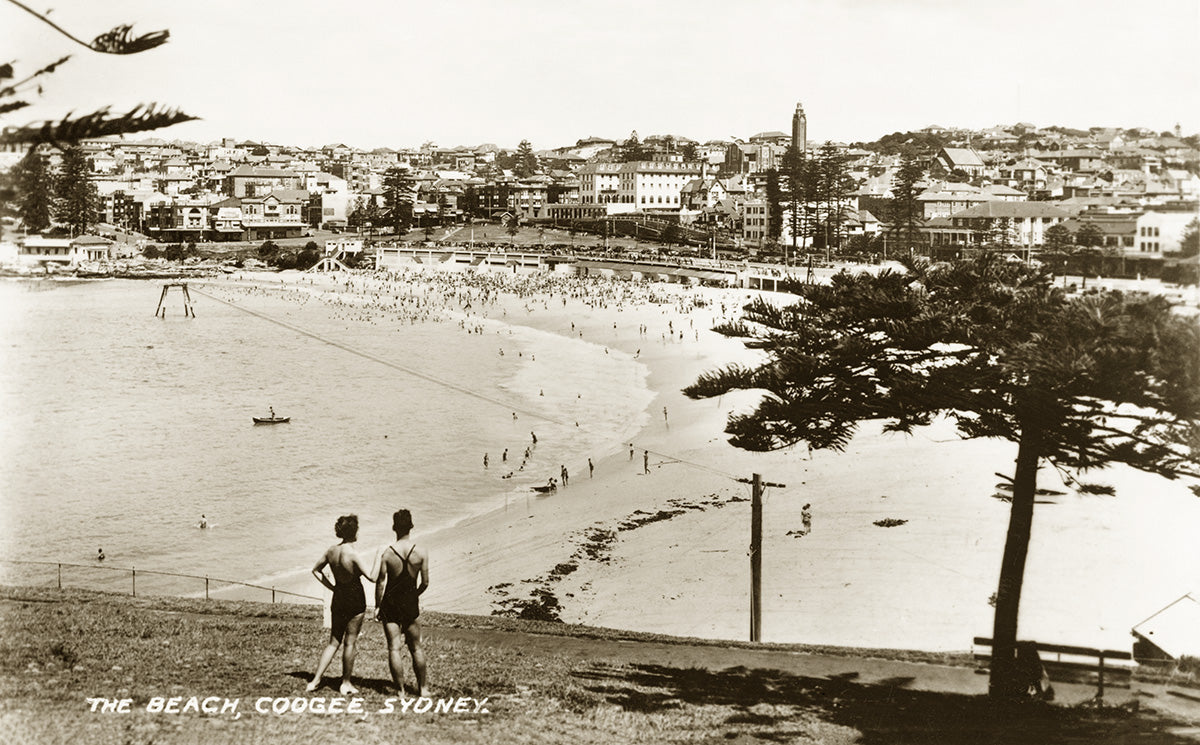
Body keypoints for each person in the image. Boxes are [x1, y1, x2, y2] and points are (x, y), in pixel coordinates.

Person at [308, 515, 378, 694]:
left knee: (333, 642)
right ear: (355, 533)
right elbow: (372, 577)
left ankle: (315, 680)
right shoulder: (353, 554)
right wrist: (379, 556)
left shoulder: (331, 551)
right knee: (350, 643)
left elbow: (315, 570)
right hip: (355, 599)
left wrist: (331, 587)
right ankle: (345, 682)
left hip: (338, 597)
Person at [376, 509, 430, 696]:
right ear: (411, 526)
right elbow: (425, 582)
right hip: (410, 602)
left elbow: (381, 582)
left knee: (394, 647)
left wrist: (377, 605)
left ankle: (400, 690)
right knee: (416, 647)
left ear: (394, 527)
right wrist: (414, 595)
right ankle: (423, 689)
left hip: (390, 603)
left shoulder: (388, 554)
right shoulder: (421, 552)